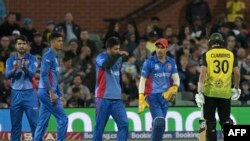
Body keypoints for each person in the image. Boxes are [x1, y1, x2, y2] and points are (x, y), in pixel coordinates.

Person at [195, 32, 241, 141]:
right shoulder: (230, 54)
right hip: (225, 93)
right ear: (222, 42)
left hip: (210, 92)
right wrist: (236, 88)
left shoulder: (207, 54)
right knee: (225, 120)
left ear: (210, 42)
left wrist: (200, 92)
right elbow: (237, 74)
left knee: (210, 121)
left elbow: (202, 74)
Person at [138, 38, 180, 141]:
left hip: (165, 97)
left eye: (162, 47)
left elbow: (176, 79)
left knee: (158, 125)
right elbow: (142, 80)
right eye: (157, 47)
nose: (159, 50)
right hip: (153, 96)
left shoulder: (171, 62)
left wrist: (174, 88)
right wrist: (141, 96)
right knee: (160, 121)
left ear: (166, 49)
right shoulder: (149, 62)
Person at [93, 37, 129, 141]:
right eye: (115, 49)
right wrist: (119, 55)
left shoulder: (118, 58)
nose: (117, 51)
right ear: (108, 49)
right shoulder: (101, 57)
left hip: (117, 99)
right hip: (103, 98)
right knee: (99, 128)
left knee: (124, 125)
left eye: (118, 48)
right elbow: (107, 65)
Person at [34, 32, 68, 141]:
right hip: (46, 92)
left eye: (62, 41)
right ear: (52, 42)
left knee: (43, 122)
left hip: (47, 91)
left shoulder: (55, 56)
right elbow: (43, 75)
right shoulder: (48, 55)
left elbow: (54, 79)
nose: (61, 43)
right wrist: (51, 93)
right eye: (59, 41)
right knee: (63, 119)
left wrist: (60, 94)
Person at [5, 35, 39, 141]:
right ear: (16, 45)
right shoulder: (10, 60)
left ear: (27, 45)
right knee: (15, 125)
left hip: (30, 94)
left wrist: (24, 67)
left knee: (34, 124)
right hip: (16, 94)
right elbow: (7, 75)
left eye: (24, 44)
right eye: (19, 43)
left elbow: (32, 74)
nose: (21, 46)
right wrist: (14, 70)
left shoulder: (33, 58)